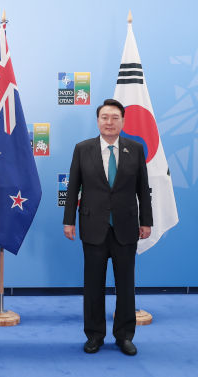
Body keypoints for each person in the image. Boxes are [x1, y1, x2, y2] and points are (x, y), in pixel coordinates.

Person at [63, 98, 152, 356]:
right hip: (93, 227)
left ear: (123, 121)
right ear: (98, 121)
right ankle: (94, 335)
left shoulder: (135, 149)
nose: (109, 122)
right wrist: (69, 220)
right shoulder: (83, 149)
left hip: (126, 228)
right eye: (105, 117)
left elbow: (142, 190)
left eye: (114, 117)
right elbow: (72, 188)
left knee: (126, 285)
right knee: (93, 285)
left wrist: (146, 220)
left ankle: (124, 336)